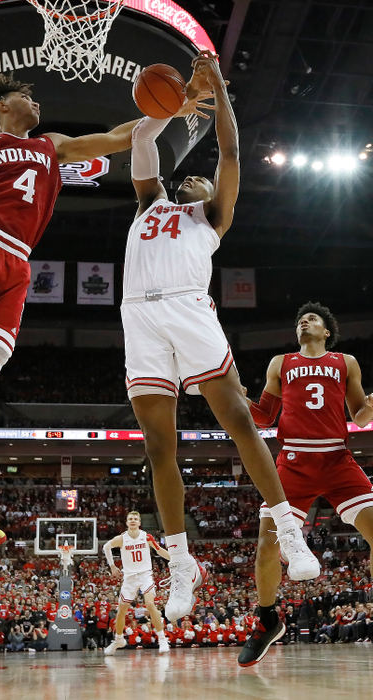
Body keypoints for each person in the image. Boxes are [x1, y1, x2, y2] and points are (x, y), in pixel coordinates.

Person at [0, 70, 161, 564]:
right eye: (26, 95)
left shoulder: (52, 145)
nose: (35, 101)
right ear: (3, 105)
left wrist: (172, 107)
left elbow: (118, 137)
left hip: (17, 262)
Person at [120, 51, 320, 627]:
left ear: (209, 193)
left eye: (198, 179)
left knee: (237, 419)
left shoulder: (211, 217)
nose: (190, 178)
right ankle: (180, 564)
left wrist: (220, 97)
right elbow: (141, 140)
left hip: (187, 308)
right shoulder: (149, 201)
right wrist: (176, 107)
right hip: (139, 317)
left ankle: (288, 528)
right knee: (159, 446)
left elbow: (230, 153)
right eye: (186, 175)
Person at [238, 301, 373, 666]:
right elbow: (265, 416)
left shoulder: (346, 362)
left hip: (336, 458)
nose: (304, 321)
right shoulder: (281, 363)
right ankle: (267, 621)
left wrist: (372, 406)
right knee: (267, 542)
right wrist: (238, 398)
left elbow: (359, 417)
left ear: (326, 331)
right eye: (300, 319)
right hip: (293, 460)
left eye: (311, 319)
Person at [102, 511, 171, 655]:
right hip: (129, 577)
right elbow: (106, 547)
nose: (133, 521)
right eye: (130, 519)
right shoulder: (122, 538)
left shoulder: (146, 537)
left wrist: (175, 559)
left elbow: (160, 551)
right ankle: (119, 639)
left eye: (135, 519)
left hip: (145, 575)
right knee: (121, 611)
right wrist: (112, 566)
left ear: (139, 522)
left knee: (150, 604)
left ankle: (162, 639)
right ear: (127, 522)